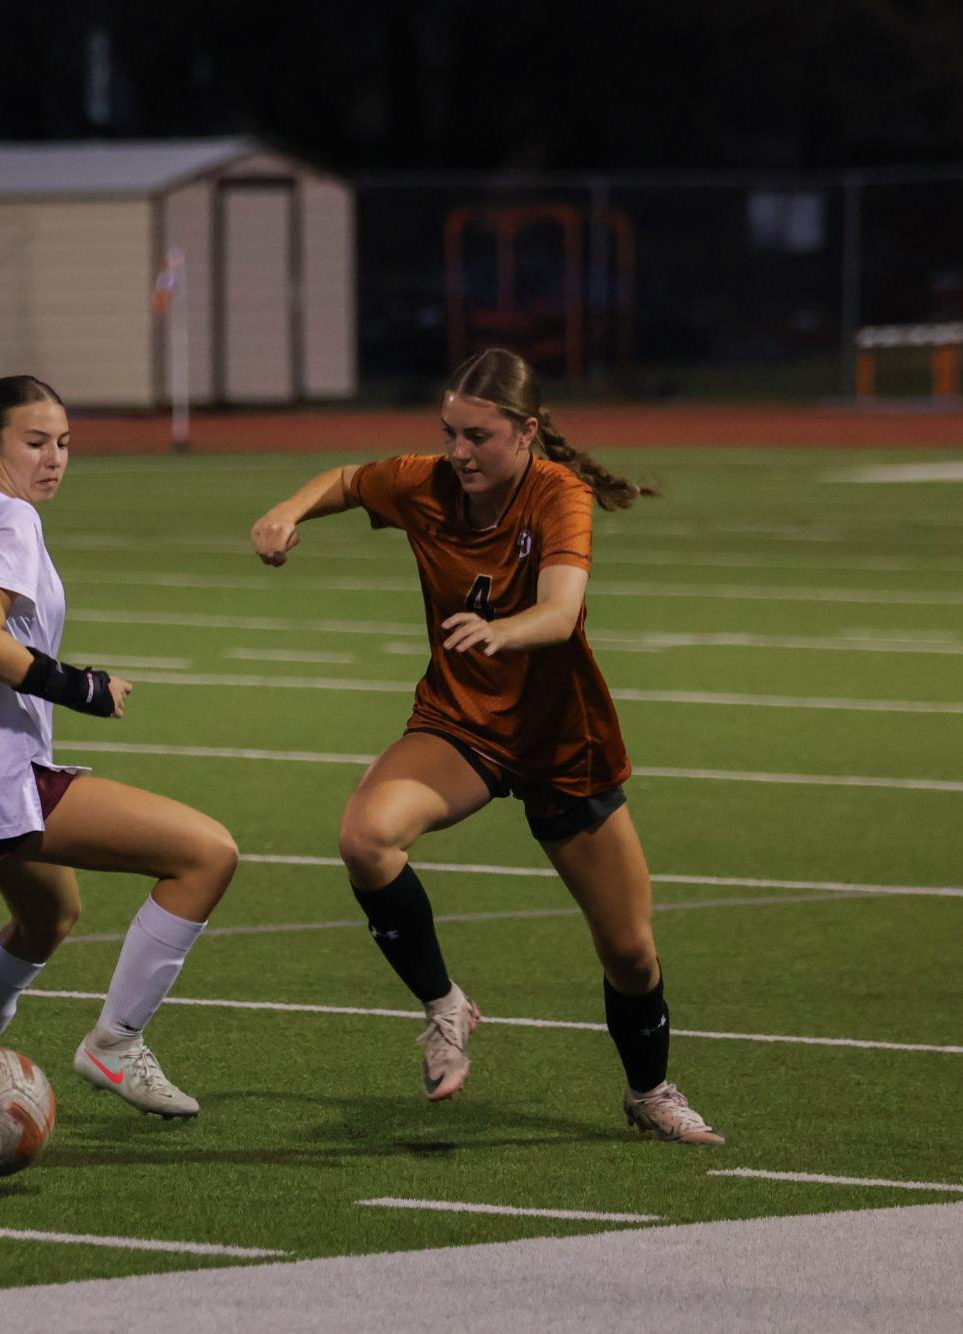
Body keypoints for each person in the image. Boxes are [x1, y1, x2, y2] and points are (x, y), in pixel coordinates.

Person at [248, 347, 721, 1145]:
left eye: (477, 436)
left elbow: (561, 613)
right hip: (461, 725)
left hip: (562, 743)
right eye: (448, 433)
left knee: (631, 953)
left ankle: (649, 1092)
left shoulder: (555, 493)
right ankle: (444, 1006)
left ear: (525, 432)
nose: (457, 452)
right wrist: (287, 511)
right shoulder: (424, 482)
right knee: (365, 838)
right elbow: (344, 478)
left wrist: (504, 631)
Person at [0, 375, 237, 1120]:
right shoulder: (7, 521)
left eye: (63, 443)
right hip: (2, 782)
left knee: (45, 920)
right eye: (35, 442)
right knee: (207, 854)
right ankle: (115, 1045)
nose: (55, 458)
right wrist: (84, 688)